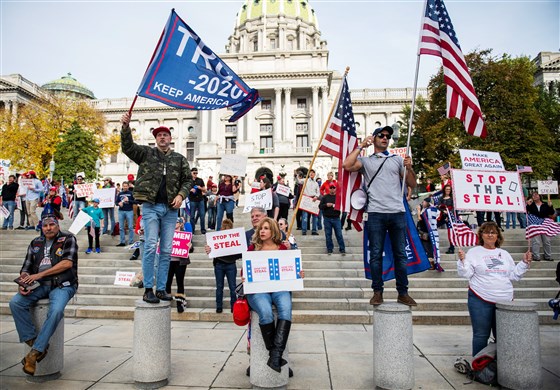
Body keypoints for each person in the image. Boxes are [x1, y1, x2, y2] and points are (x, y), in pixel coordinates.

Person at [121, 112, 193, 304]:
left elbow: (187, 180)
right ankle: (148, 288)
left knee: (167, 250)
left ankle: (161, 288)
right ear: (155, 139)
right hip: (151, 206)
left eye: (166, 135)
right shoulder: (146, 153)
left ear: (171, 138)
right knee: (151, 245)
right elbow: (127, 147)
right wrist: (126, 128)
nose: (162, 137)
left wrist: (181, 195)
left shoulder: (179, 159)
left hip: (170, 209)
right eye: (159, 135)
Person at [342, 125, 418, 307]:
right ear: (374, 138)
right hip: (375, 212)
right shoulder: (366, 161)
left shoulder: (398, 160)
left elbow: (412, 183)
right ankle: (377, 291)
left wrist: (410, 168)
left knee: (400, 254)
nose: (385, 138)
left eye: (387, 136)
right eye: (381, 135)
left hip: (397, 212)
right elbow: (346, 165)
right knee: (375, 254)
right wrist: (361, 145)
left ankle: (403, 292)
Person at [9, 214, 78, 376]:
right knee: (15, 302)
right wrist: (24, 283)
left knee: (56, 311)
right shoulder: (35, 242)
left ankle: (34, 353)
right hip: (39, 285)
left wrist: (38, 275)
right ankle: (36, 343)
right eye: (45, 225)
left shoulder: (68, 239)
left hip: (63, 284)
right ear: (42, 227)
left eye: (52, 224)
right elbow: (26, 267)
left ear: (57, 225)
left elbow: (67, 263)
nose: (48, 228)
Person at [457, 222, 531, 356]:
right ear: (481, 235)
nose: (490, 235)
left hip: (504, 300)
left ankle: (502, 366)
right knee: (481, 335)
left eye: (493, 232)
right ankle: (480, 368)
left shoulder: (504, 254)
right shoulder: (474, 252)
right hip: (480, 298)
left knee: (503, 336)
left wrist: (524, 262)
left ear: (498, 236)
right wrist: (462, 261)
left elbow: (513, 275)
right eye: (486, 232)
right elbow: (466, 274)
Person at [245, 217, 303, 373]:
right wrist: (244, 275)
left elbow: (290, 269)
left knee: (286, 308)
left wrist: (298, 273)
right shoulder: (253, 248)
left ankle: (275, 356)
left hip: (279, 288)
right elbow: (245, 271)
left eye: (266, 228)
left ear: (273, 231)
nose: (262, 231)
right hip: (258, 290)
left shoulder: (282, 249)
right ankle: (276, 356)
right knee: (265, 312)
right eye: (261, 228)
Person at [204, 218, 240, 313]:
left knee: (229, 287)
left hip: (227, 264)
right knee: (224, 287)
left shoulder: (234, 237)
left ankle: (226, 306)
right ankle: (223, 306)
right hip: (223, 264)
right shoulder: (216, 238)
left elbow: (239, 253)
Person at [165, 217, 192, 313]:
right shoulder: (167, 234)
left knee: (180, 282)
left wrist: (190, 246)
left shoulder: (185, 235)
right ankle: (166, 300)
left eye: (176, 222)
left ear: (180, 224)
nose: (174, 223)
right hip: (169, 261)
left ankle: (179, 303)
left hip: (181, 262)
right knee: (168, 281)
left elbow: (190, 250)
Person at [526, 192, 556, 261]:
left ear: (539, 196)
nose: (534, 196)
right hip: (535, 224)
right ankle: (536, 256)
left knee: (547, 241)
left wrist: (550, 206)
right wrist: (528, 205)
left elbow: (551, 213)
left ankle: (548, 256)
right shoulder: (531, 205)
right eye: (533, 195)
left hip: (545, 224)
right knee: (536, 241)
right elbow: (526, 212)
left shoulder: (545, 204)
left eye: (536, 194)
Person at [319, 184, 346, 255]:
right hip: (327, 218)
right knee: (328, 235)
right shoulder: (325, 197)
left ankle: (342, 249)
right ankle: (329, 249)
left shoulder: (339, 197)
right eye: (331, 188)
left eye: (334, 187)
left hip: (336, 218)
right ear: (329, 189)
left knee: (339, 234)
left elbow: (343, 207)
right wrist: (326, 205)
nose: (332, 189)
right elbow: (320, 206)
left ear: (336, 189)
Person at [301, 169, 320, 236]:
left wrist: (316, 196)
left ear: (314, 174)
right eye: (310, 173)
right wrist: (296, 175)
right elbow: (298, 181)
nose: (312, 174)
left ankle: (314, 230)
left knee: (315, 216)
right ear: (309, 174)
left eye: (313, 173)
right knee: (305, 216)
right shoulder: (305, 180)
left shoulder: (316, 183)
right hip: (306, 199)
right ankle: (304, 230)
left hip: (313, 199)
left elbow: (318, 192)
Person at [116, 181, 136, 246]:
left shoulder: (131, 193)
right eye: (124, 186)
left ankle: (131, 241)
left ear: (128, 186)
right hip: (121, 211)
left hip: (129, 211)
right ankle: (122, 242)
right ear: (122, 186)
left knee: (130, 227)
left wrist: (129, 200)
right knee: (121, 227)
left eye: (126, 186)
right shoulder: (120, 193)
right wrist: (118, 204)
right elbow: (116, 202)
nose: (125, 187)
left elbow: (135, 201)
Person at [188, 167, 207, 234]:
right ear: (191, 173)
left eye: (196, 173)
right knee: (192, 216)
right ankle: (192, 230)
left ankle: (203, 229)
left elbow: (205, 190)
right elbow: (184, 189)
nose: (195, 174)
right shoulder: (188, 180)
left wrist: (200, 188)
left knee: (202, 215)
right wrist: (190, 190)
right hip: (192, 199)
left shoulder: (200, 180)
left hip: (200, 199)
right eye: (194, 173)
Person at [439, 184, 456, 254]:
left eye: (449, 189)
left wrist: (449, 213)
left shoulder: (452, 198)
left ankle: (452, 247)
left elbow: (454, 207)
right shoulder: (441, 198)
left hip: (450, 216)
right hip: (442, 215)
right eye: (447, 189)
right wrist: (443, 211)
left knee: (451, 232)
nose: (448, 191)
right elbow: (438, 206)